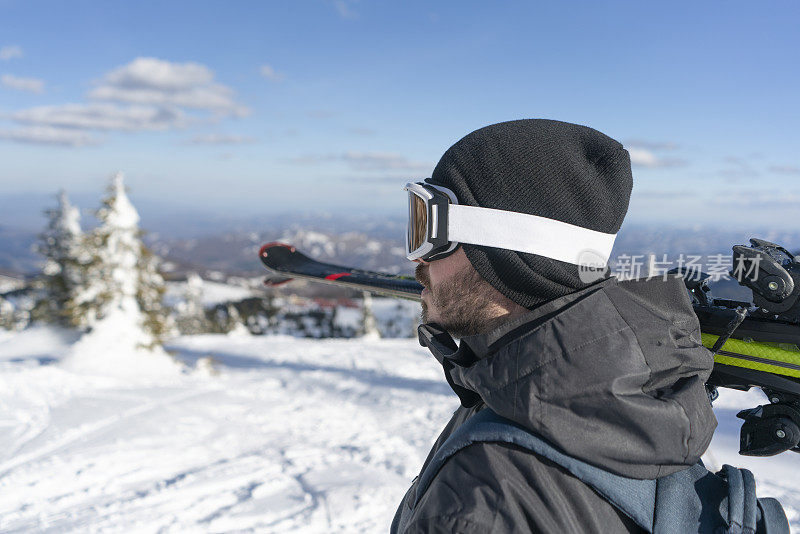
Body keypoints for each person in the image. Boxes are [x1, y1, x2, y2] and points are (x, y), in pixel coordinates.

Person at [390, 119, 718, 533]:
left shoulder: (483, 500)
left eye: (428, 228)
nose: (418, 261)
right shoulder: (639, 395)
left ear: (504, 252)